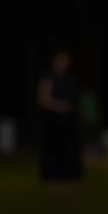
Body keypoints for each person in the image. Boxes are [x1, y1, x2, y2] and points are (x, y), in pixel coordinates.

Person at [37, 50, 83, 194]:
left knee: (68, 152)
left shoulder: (69, 79)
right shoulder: (48, 77)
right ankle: (53, 182)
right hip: (53, 122)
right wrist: (59, 106)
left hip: (68, 123)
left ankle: (68, 181)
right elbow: (42, 99)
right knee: (54, 152)